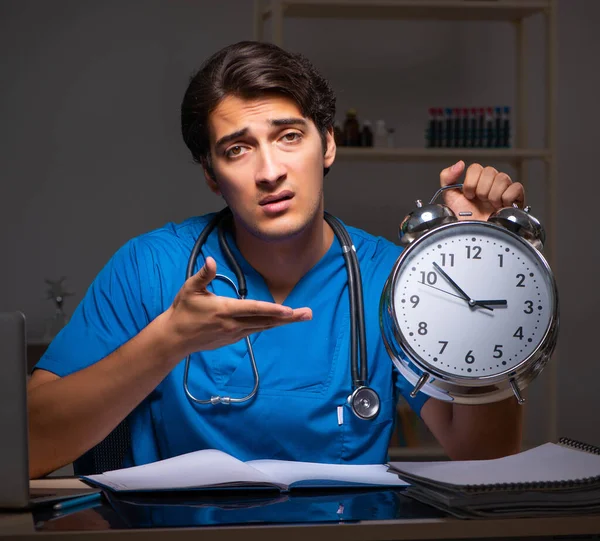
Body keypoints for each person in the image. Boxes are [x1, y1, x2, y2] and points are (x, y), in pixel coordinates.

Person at [28, 41, 525, 479]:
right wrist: (168, 342)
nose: (269, 172)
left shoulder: (394, 279)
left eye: (289, 136)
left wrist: (478, 260)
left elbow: (486, 454)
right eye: (238, 149)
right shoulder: (149, 268)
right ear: (210, 174)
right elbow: (27, 449)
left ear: (327, 143)